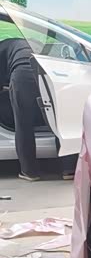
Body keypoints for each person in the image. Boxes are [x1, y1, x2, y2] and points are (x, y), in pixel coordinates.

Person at [0, 36, 42, 181]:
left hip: (22, 75)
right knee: (56, 120)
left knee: (23, 123)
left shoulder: (3, 47)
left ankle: (29, 171)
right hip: (44, 73)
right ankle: (68, 169)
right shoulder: (32, 43)